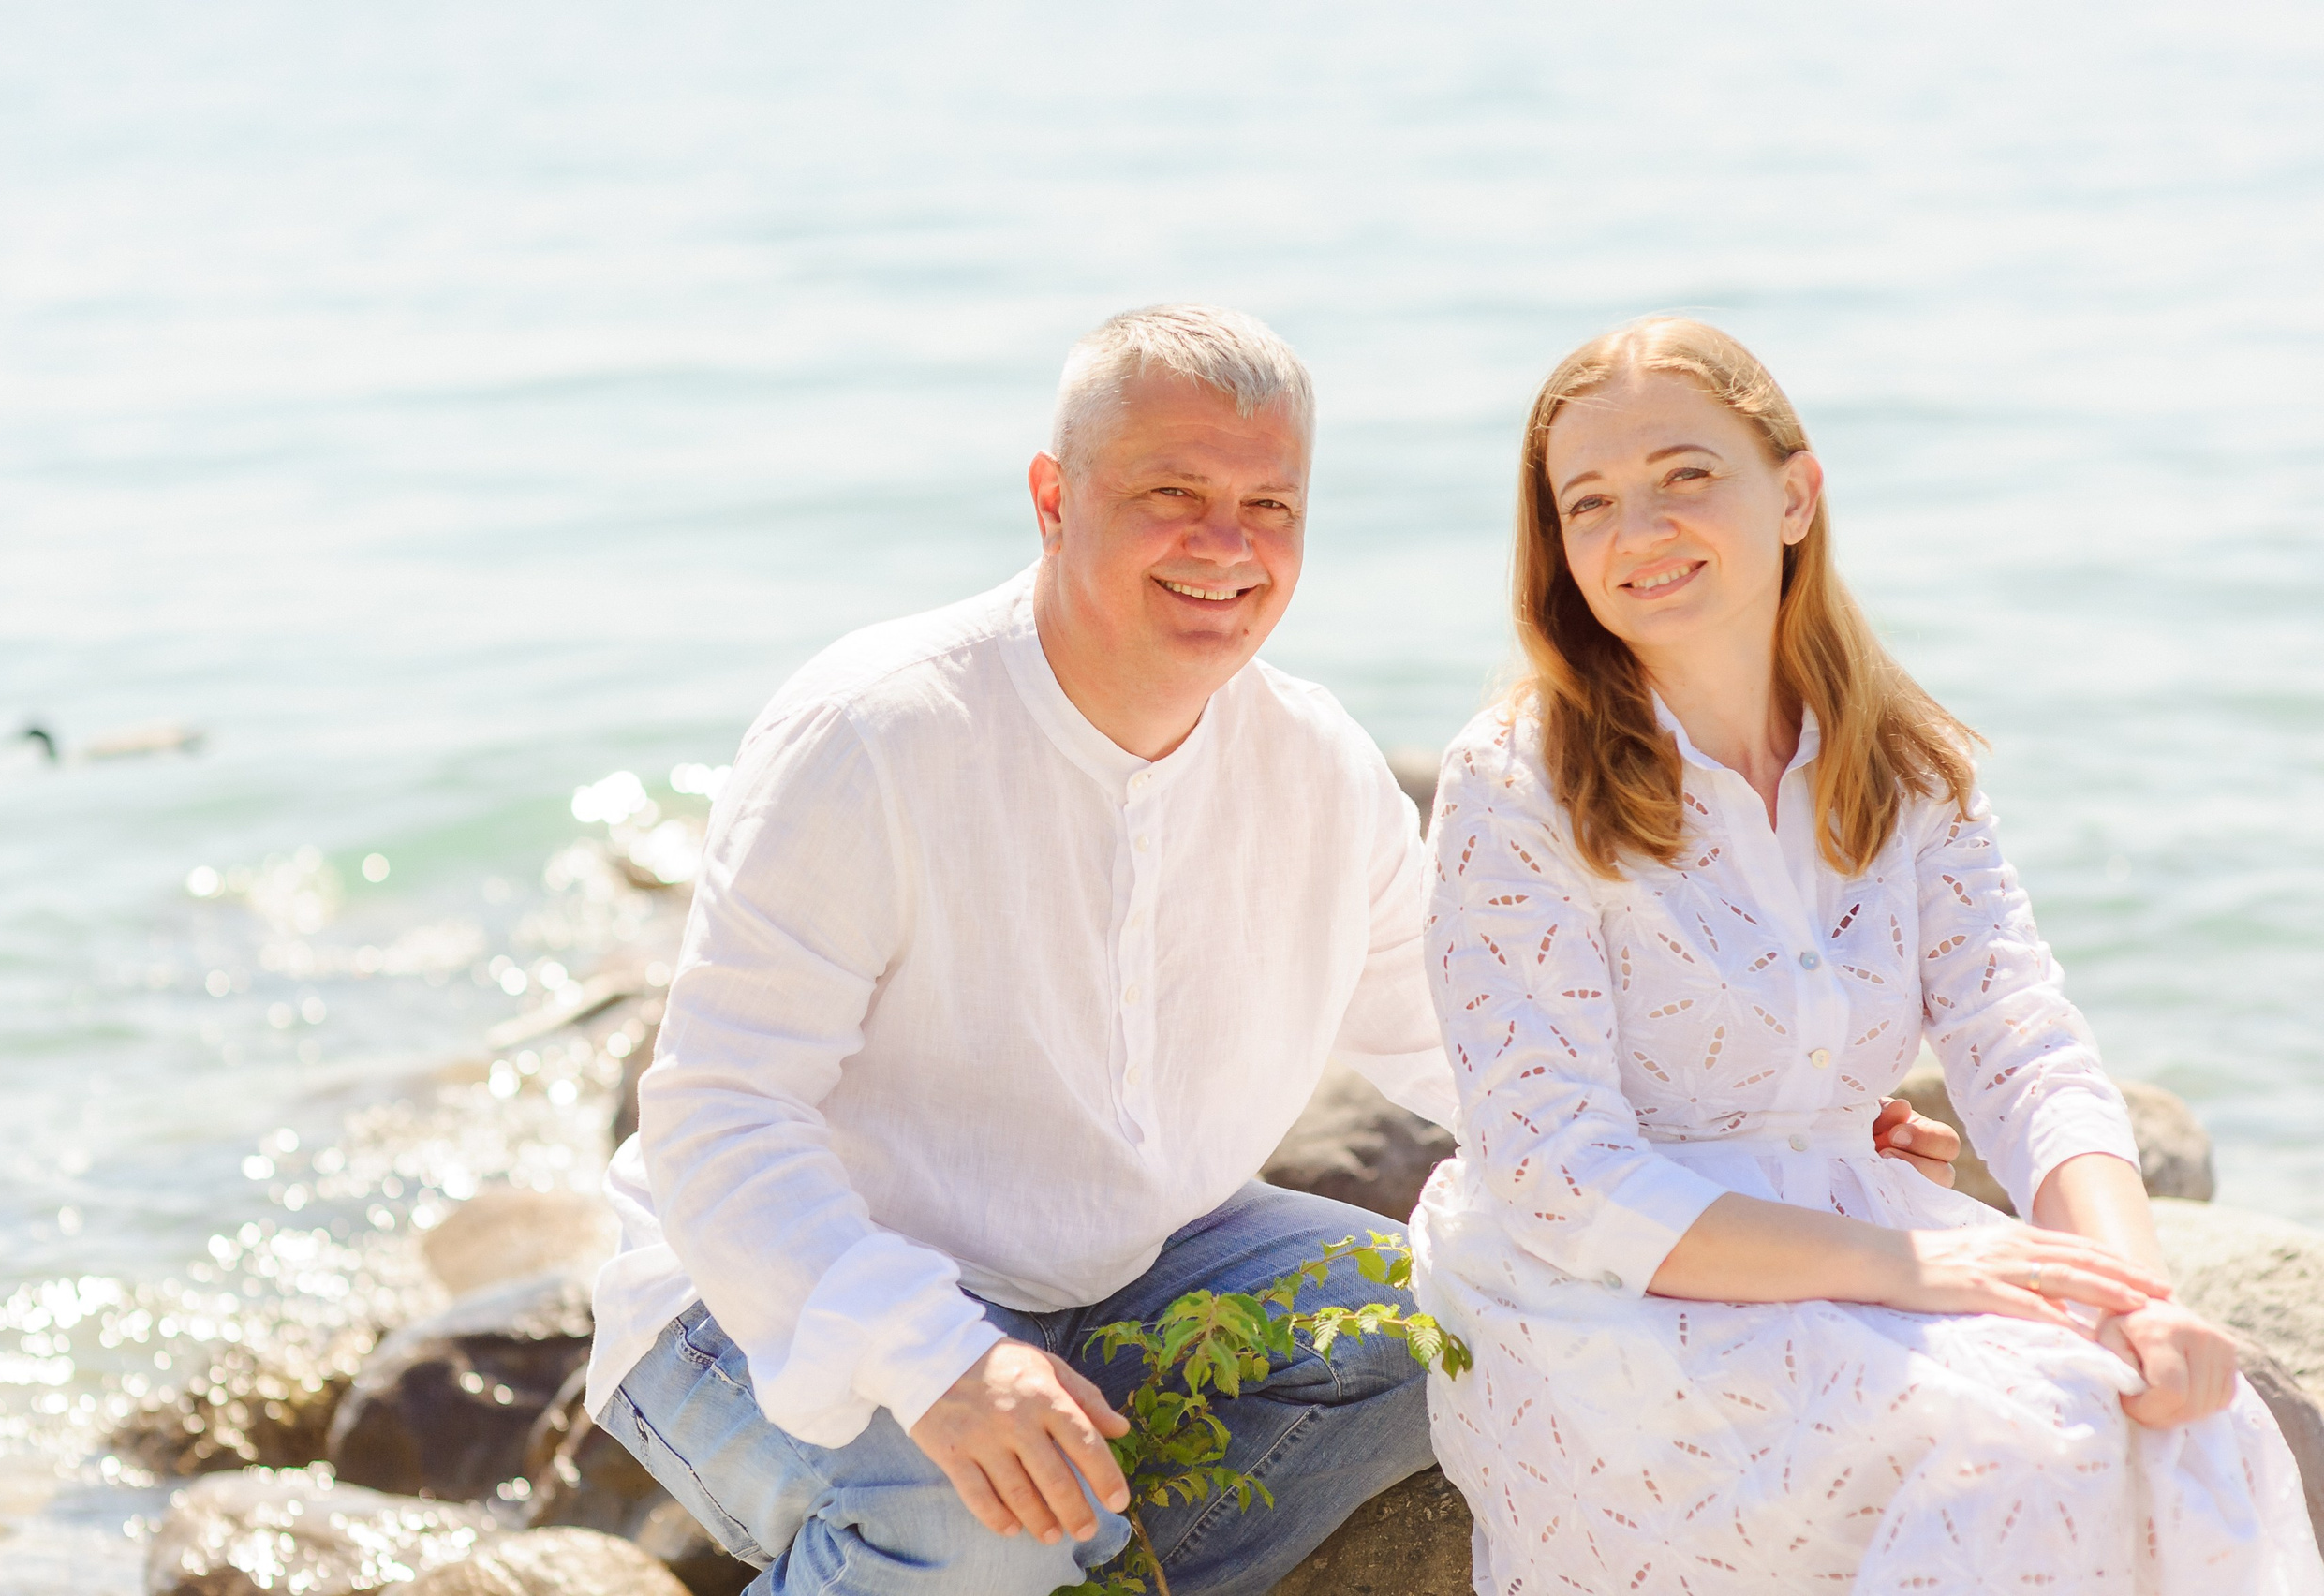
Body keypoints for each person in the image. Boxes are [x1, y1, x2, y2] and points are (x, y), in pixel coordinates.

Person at [586, 304, 1963, 1596]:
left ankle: (1038, 1560)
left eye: (1269, 508)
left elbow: (1476, 1038)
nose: (1225, 544)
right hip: (749, 1284)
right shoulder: (875, 735)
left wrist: (1762, 1126)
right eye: (1171, 495)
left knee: (1476, 1340)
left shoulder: (1313, 763)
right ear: (1053, 498)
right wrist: (944, 1368)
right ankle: (966, 1547)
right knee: (973, 1520)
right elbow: (721, 1116)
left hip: (1134, 1265)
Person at [1409, 316, 2324, 1593]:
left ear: (1794, 493)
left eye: (1686, 476)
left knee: (2181, 1415)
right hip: (1603, 1290)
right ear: (1558, 548)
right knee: (2028, 1446)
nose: (1640, 531)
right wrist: (1919, 1264)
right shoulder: (1514, 782)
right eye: (1592, 502)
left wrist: (2137, 1295)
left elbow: (2022, 1041)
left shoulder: (1901, 764)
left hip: (1847, 1229)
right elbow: (1555, 1171)